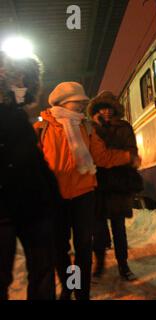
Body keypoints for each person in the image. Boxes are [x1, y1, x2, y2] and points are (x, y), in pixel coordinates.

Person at [34, 82, 140, 300]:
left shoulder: (87, 128)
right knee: (60, 248)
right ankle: (69, 285)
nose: (83, 106)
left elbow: (102, 157)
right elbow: (32, 163)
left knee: (83, 246)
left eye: (84, 103)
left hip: (84, 194)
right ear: (64, 102)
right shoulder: (43, 127)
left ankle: (82, 293)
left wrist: (128, 157)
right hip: (55, 197)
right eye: (79, 103)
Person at [0, 51, 59, 300]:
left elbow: (35, 163)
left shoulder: (19, 118)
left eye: (25, 81)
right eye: (17, 79)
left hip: (33, 207)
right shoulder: (10, 116)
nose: (21, 86)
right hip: (3, 210)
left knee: (43, 269)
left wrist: (52, 196)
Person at [88, 91, 143, 281]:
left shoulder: (124, 128)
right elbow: (94, 155)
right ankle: (99, 265)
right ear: (96, 110)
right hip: (98, 184)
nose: (106, 112)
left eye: (109, 108)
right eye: (102, 108)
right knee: (98, 229)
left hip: (119, 184)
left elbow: (132, 152)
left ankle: (123, 266)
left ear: (115, 109)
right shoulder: (92, 128)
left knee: (119, 228)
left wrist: (112, 158)